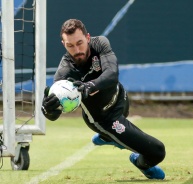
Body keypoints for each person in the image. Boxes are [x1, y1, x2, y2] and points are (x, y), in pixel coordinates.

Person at [41, 19, 166, 180]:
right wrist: (48, 110)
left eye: (80, 43)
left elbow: (112, 74)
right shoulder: (64, 73)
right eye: (70, 46)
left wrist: (88, 86)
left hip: (120, 98)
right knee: (157, 152)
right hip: (104, 119)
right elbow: (54, 113)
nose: (77, 50)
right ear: (63, 44)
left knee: (123, 121)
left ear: (87, 37)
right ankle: (139, 162)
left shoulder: (100, 43)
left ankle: (107, 138)